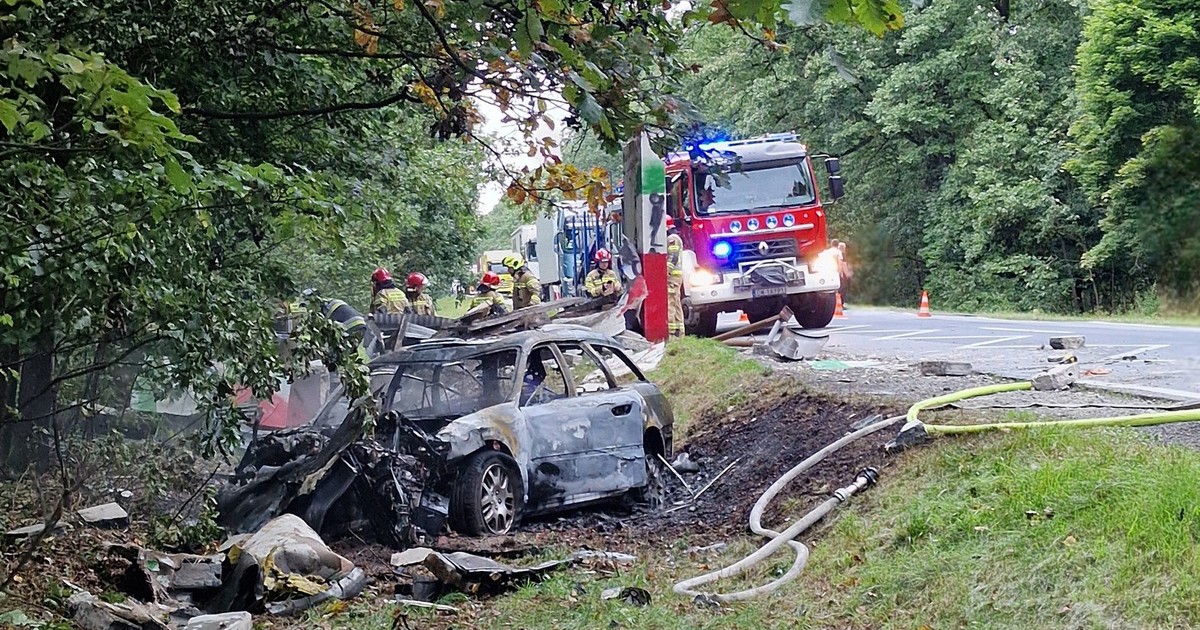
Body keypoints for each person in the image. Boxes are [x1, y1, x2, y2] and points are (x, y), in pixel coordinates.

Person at [665, 216, 685, 339]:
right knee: (676, 304)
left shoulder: (672, 239)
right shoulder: (674, 237)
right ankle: (679, 333)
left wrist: (665, 272)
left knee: (670, 304)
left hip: (672, 278)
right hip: (675, 278)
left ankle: (671, 334)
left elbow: (673, 257)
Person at [837, 241, 852, 307]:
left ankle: (836, 304)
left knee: (837, 289)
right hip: (841, 274)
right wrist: (847, 274)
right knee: (843, 289)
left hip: (835, 273)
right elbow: (843, 264)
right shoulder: (842, 254)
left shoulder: (835, 253)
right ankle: (841, 303)